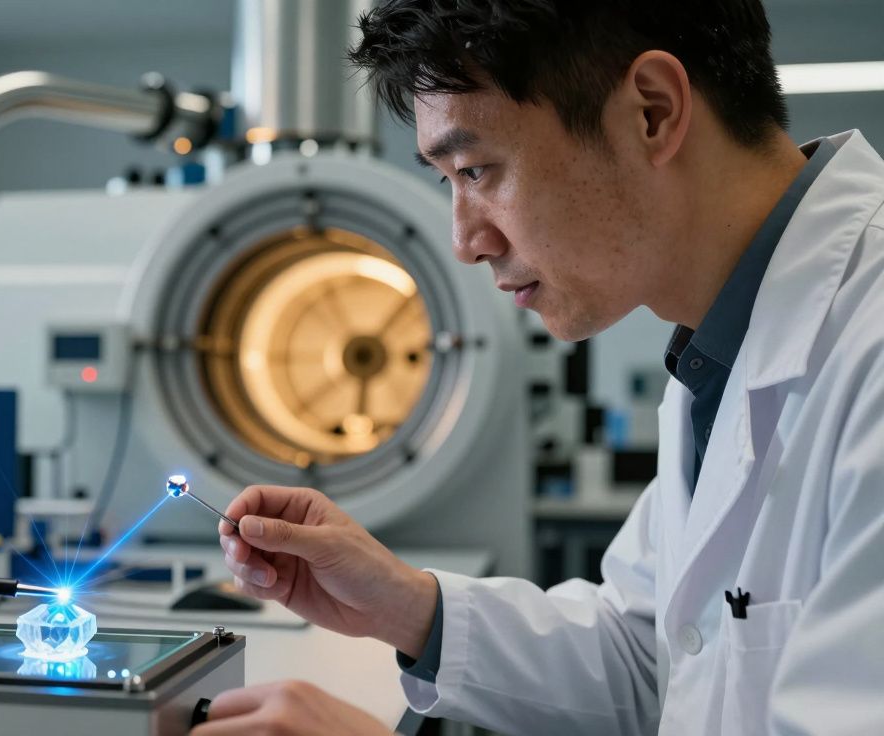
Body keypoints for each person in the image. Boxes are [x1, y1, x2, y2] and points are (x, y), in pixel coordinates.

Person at [191, 1, 884, 734]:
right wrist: (406, 606)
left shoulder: (865, 350)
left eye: (477, 168)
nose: (465, 240)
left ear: (651, 112)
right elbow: (652, 657)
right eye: (447, 181)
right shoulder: (724, 348)